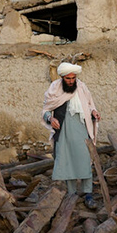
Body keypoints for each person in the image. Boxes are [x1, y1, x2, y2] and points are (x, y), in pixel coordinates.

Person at [42, 62, 101, 209]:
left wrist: (94, 112)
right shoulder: (55, 88)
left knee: (85, 159)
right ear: (62, 77)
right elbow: (46, 110)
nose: (71, 81)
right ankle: (72, 193)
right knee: (67, 160)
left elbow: (89, 104)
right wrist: (51, 119)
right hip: (64, 131)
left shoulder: (81, 87)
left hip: (81, 128)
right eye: (68, 78)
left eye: (73, 78)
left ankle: (88, 194)